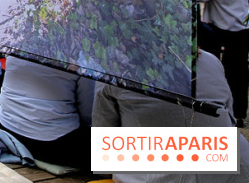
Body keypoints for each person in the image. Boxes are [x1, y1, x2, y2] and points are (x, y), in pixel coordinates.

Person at [93, 49, 249, 182]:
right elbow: (229, 117)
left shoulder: (113, 71)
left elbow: (104, 142)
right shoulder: (211, 60)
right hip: (233, 169)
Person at [0, 57, 94, 170]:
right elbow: (90, 115)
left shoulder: (16, 46)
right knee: (114, 147)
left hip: (8, 128)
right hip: (52, 144)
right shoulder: (82, 60)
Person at [197, 0, 249, 125]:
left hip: (220, 32)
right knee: (239, 74)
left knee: (218, 69)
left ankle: (219, 108)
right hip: (242, 32)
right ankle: (239, 114)